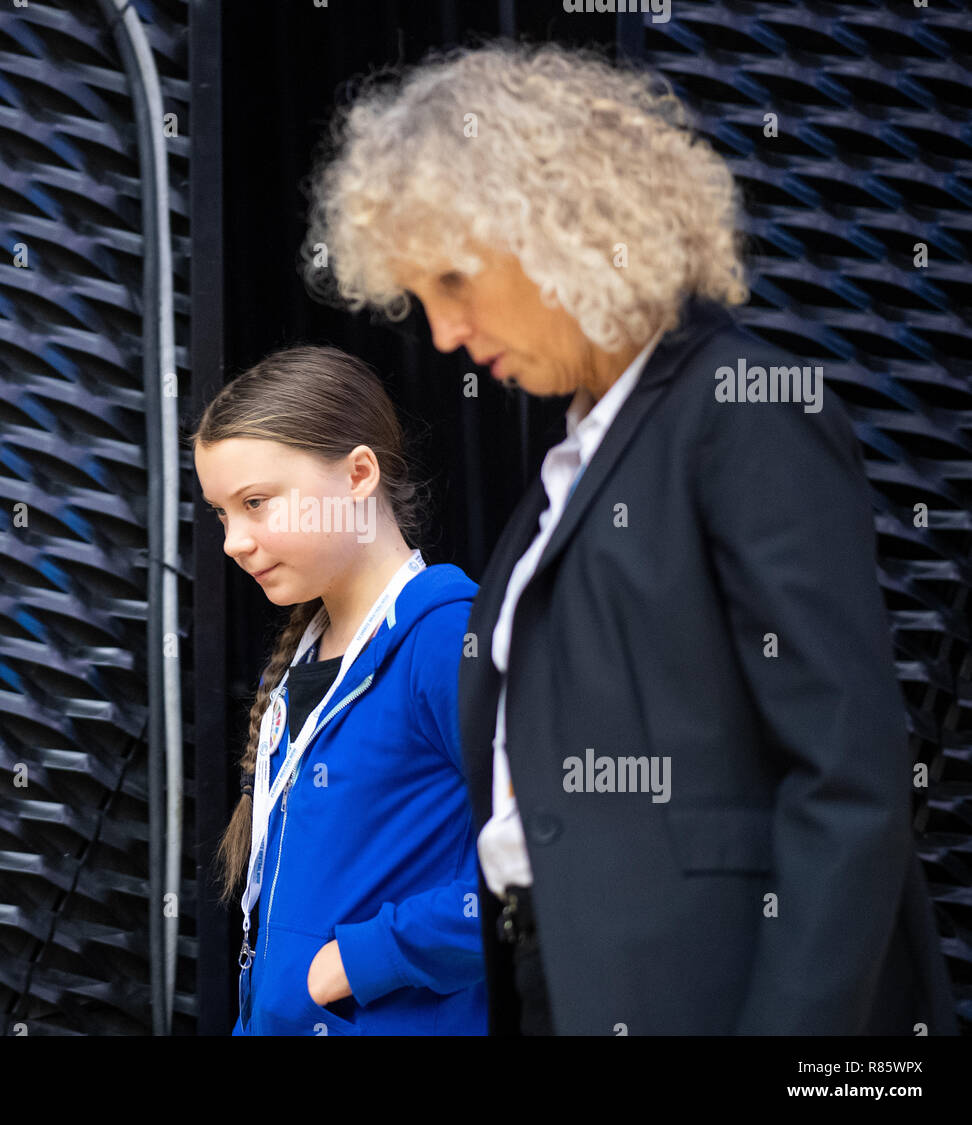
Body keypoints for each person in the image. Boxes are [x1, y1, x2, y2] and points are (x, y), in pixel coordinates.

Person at [300, 39, 958, 1035]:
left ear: (558, 227)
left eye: (451, 280)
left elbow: (846, 777)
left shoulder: (741, 409)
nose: (440, 333)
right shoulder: (570, 467)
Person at [191, 344, 487, 1035]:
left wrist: (362, 958)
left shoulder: (448, 638)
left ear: (359, 475)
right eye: (222, 514)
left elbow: (548, 865)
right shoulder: (298, 659)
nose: (234, 539)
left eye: (256, 502)